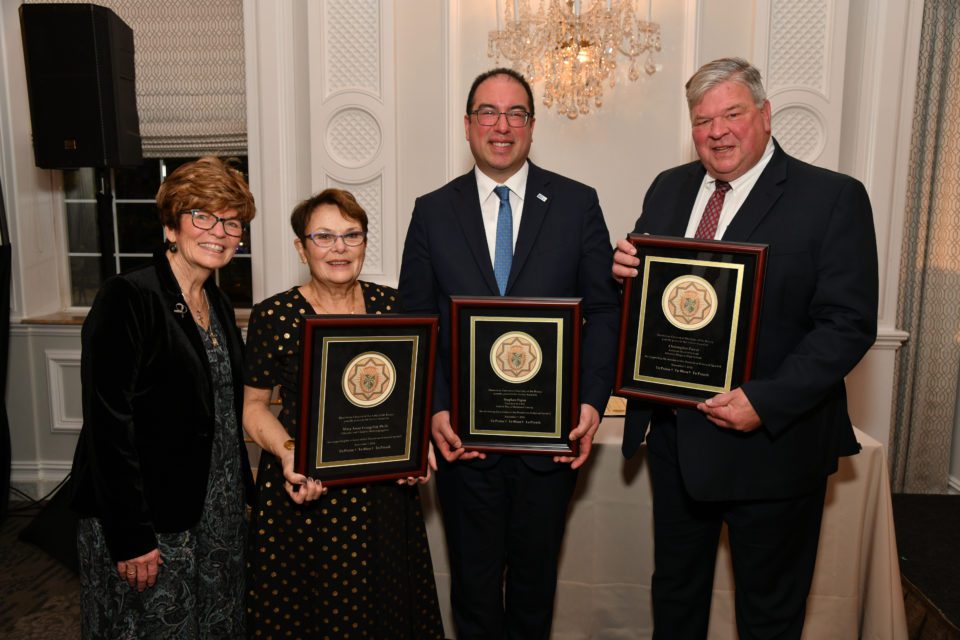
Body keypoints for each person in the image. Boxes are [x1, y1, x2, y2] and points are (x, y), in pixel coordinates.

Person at [612, 57, 879, 638]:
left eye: (732, 113)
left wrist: (765, 399)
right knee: (675, 602)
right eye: (703, 120)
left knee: (769, 616)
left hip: (773, 446)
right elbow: (660, 301)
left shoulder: (832, 198)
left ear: (764, 114)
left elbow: (847, 323)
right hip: (678, 442)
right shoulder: (669, 188)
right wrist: (623, 272)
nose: (717, 131)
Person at [398, 68, 620, 639]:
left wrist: (593, 402)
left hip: (551, 442)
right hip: (463, 442)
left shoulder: (576, 204)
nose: (502, 126)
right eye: (489, 113)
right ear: (468, 125)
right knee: (473, 592)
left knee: (534, 590)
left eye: (516, 113)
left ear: (532, 125)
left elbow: (604, 312)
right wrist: (436, 411)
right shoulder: (432, 210)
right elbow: (414, 324)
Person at [242, 188, 444, 639]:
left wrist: (416, 448)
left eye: (352, 235)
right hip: (305, 489)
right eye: (325, 236)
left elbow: (413, 395)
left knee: (387, 611)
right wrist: (290, 453)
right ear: (301, 246)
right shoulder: (273, 315)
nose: (339, 248)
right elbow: (253, 409)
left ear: (365, 243)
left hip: (383, 495)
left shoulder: (395, 307)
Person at [70, 156, 257, 638]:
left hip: (216, 513)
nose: (219, 230)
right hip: (150, 520)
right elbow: (108, 427)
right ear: (172, 226)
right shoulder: (127, 298)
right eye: (203, 215)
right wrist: (130, 536)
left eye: (232, 221)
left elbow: (220, 410)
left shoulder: (215, 301)